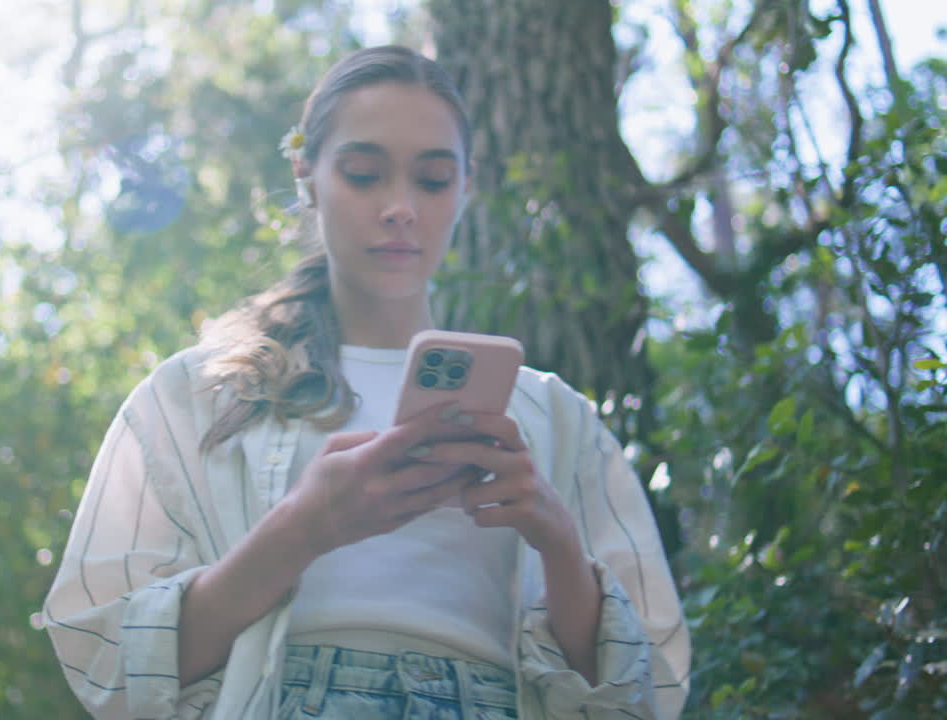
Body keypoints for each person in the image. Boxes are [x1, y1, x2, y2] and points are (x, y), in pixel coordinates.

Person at [44, 45, 690, 719]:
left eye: (434, 181)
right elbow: (107, 661)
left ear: (465, 190)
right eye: (363, 174)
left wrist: (557, 538)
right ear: (307, 177)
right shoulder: (198, 395)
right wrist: (303, 527)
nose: (400, 208)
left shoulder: (559, 418)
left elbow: (646, 690)